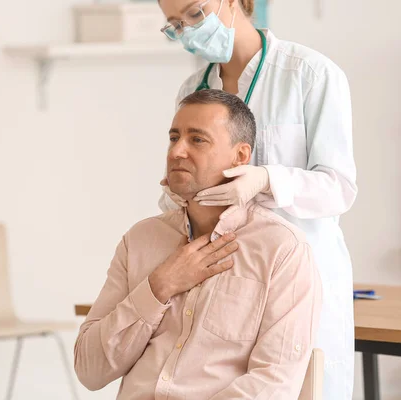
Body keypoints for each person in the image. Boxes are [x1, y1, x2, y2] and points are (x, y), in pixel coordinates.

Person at [157, 0, 357, 398]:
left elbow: (339, 186)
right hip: (224, 280)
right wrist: (175, 194)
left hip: (298, 278)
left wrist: (266, 178)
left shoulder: (310, 74)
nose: (189, 31)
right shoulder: (192, 90)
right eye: (176, 25)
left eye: (195, 14)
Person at [74, 89, 322, 399]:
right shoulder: (139, 240)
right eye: (174, 137)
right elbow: (89, 370)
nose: (177, 151)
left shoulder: (282, 250)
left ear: (241, 156)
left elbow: (272, 385)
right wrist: (158, 287)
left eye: (197, 140)